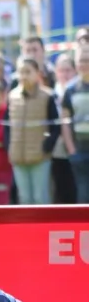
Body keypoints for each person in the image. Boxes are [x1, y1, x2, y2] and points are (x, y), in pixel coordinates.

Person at [4, 57, 60, 205]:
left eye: (28, 72)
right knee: (25, 199)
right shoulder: (11, 96)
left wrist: (47, 146)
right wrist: (8, 147)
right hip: (18, 156)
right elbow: (6, 126)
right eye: (21, 72)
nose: (24, 76)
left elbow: (56, 126)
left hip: (40, 157)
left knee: (40, 198)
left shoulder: (47, 96)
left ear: (37, 73)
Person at [61, 45, 89, 204]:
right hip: (80, 151)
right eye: (80, 61)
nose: (84, 64)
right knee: (84, 192)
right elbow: (65, 122)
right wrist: (71, 149)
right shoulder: (70, 89)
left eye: (87, 60)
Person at [51, 54, 77, 204]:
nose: (65, 74)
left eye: (68, 70)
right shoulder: (51, 93)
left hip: (78, 146)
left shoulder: (77, 89)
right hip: (58, 150)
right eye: (61, 70)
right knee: (62, 187)